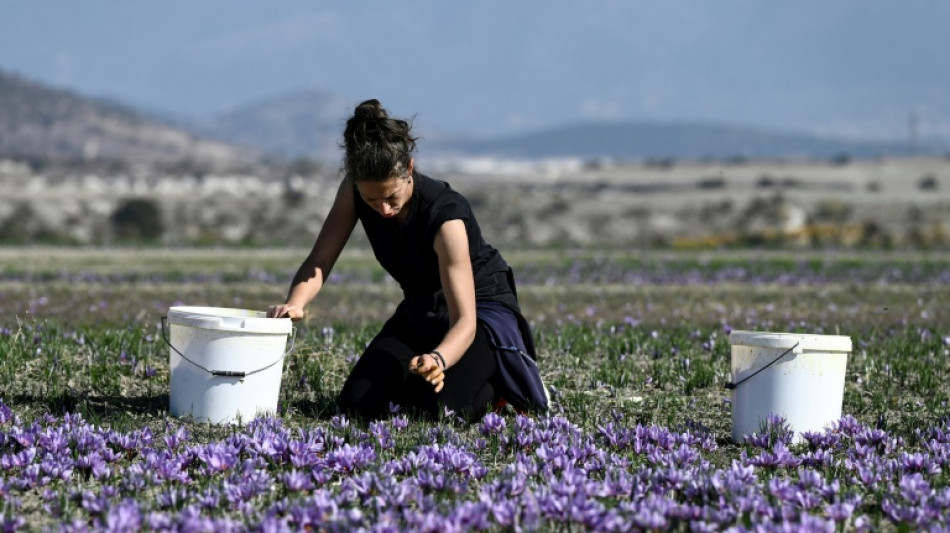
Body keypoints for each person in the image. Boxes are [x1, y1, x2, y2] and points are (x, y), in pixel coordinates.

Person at [267, 99, 547, 422]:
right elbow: (320, 260)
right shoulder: (353, 192)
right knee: (357, 405)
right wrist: (295, 302)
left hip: (480, 314)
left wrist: (438, 360)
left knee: (432, 411)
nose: (383, 209)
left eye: (391, 197)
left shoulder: (446, 219)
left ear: (409, 169)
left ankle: (498, 385)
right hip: (422, 309)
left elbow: (464, 322)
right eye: (372, 199)